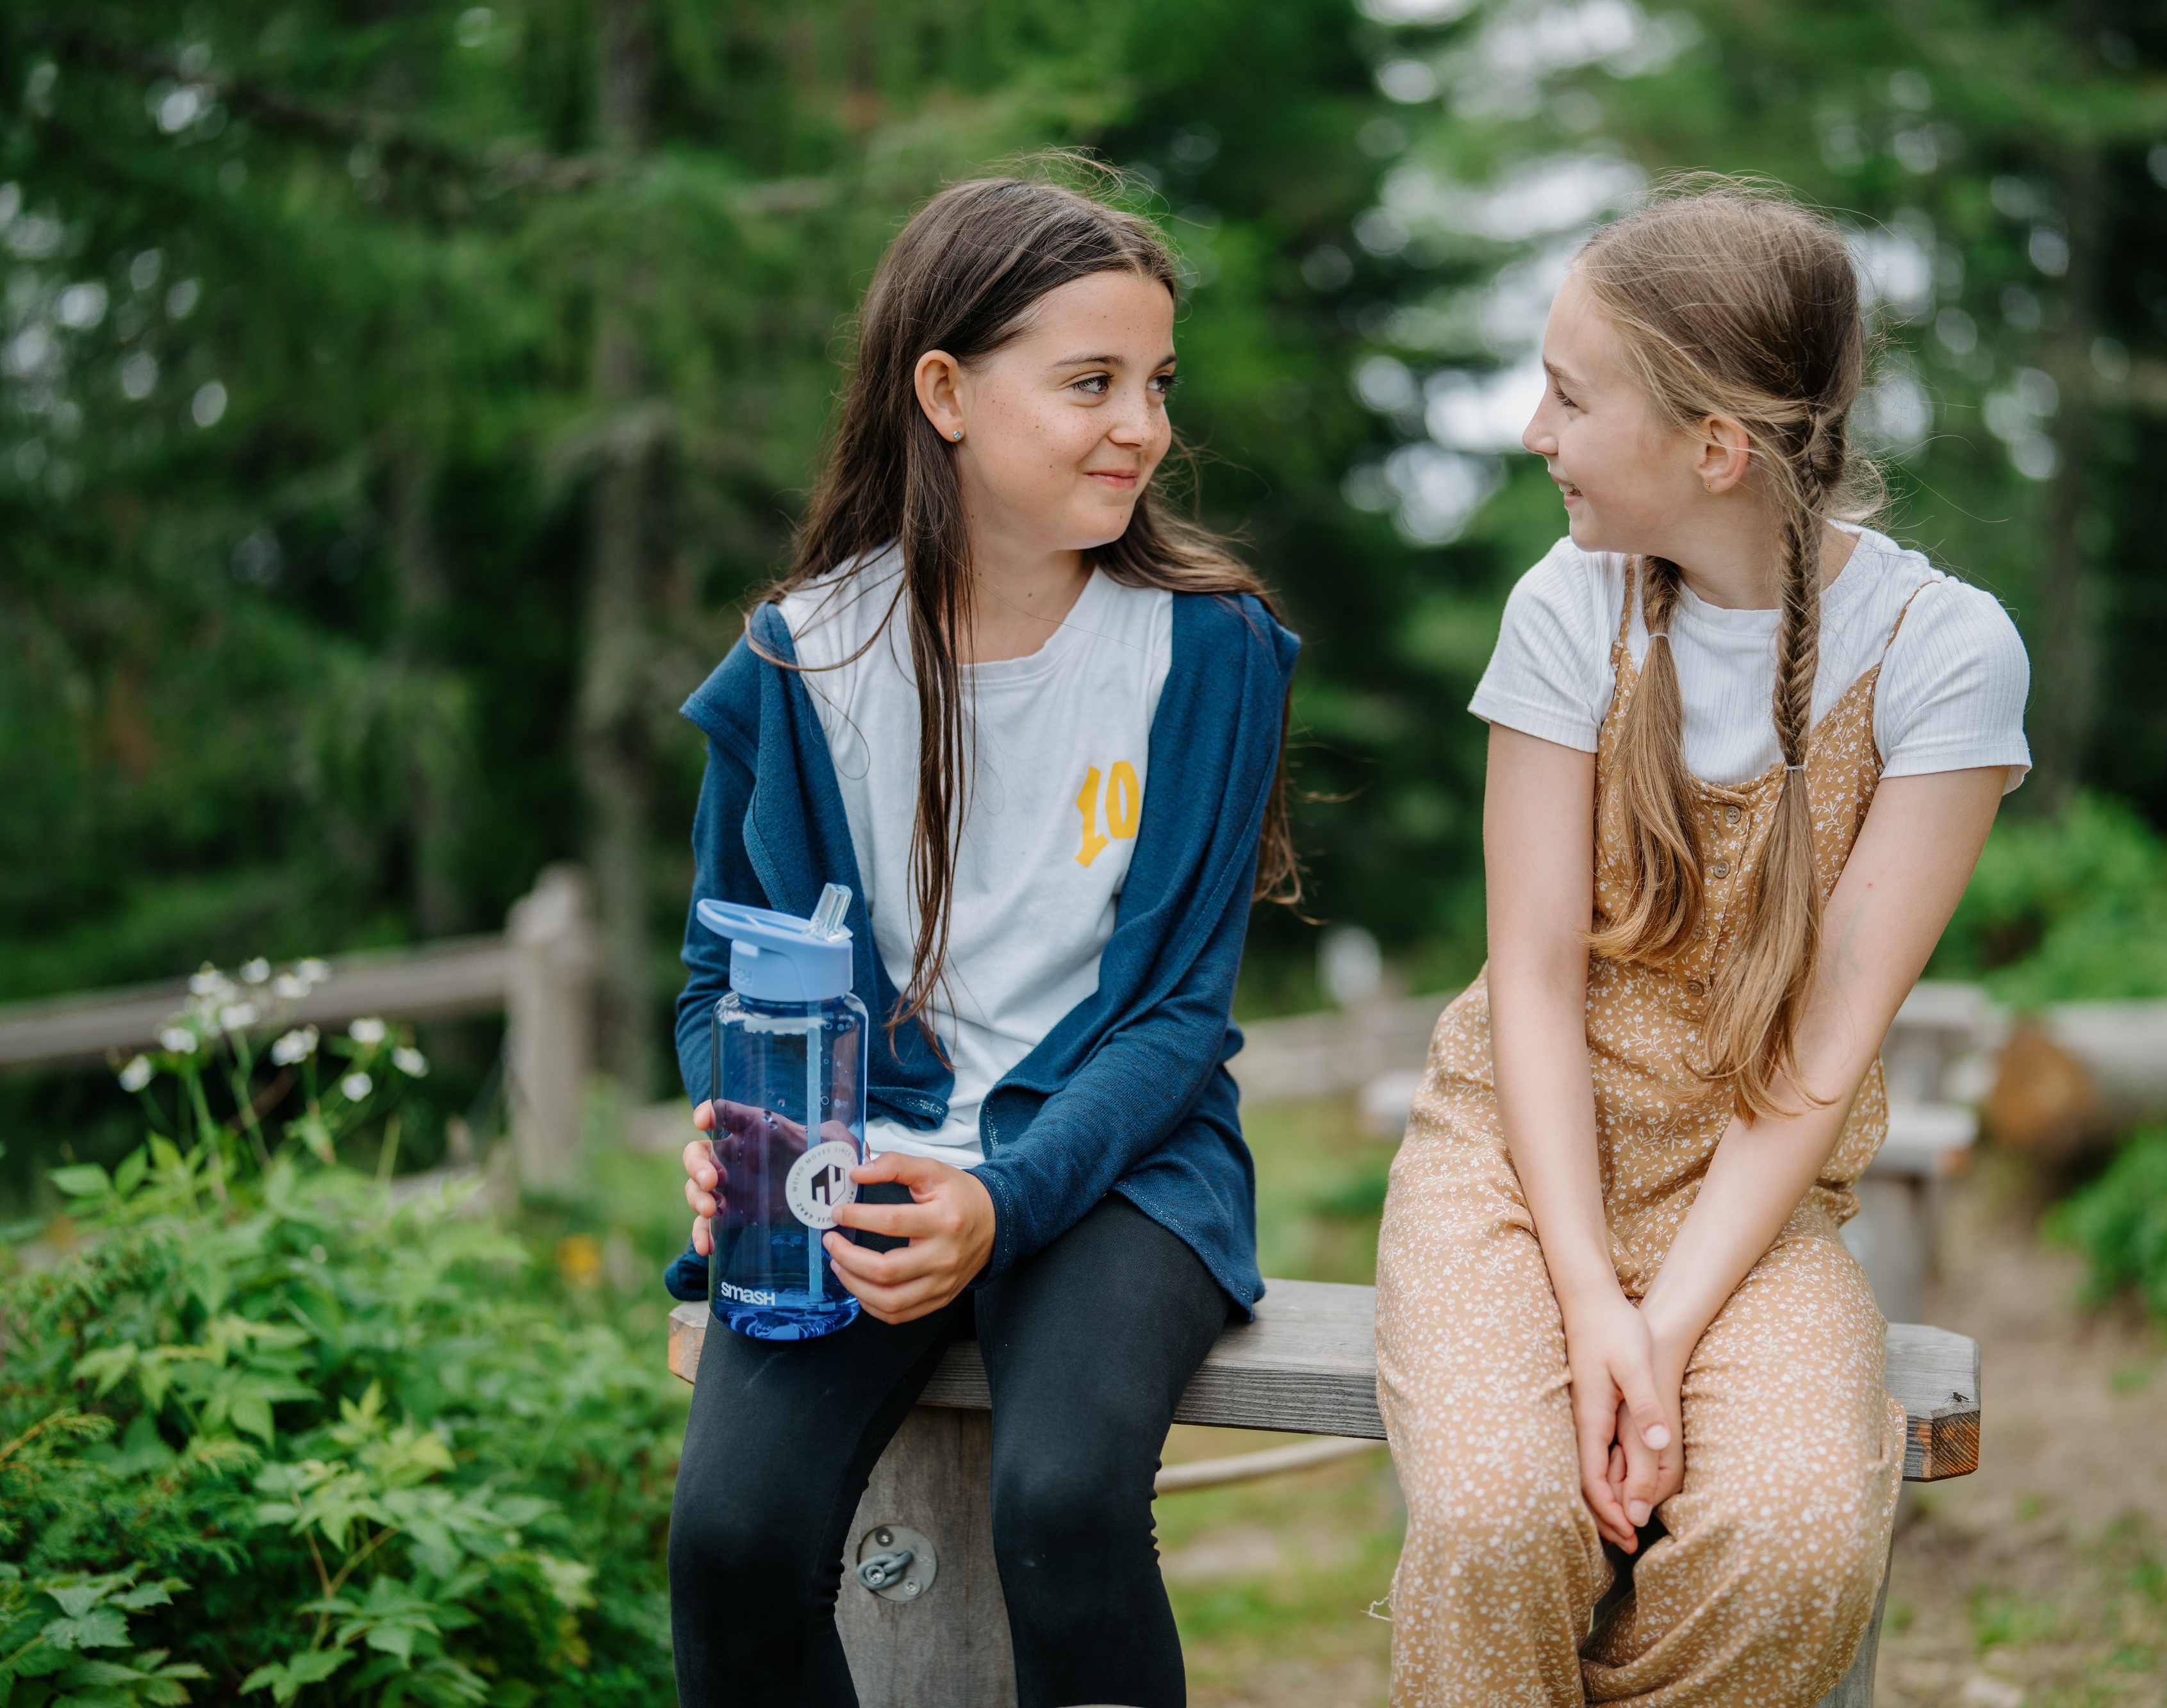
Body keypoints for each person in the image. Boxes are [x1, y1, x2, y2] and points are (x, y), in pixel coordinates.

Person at [1373, 177, 2032, 1706]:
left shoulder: (1944, 655)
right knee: (1492, 1523)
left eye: (1566, 393)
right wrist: (1592, 1298)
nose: (1532, 430)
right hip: (1514, 1168)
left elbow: (1820, 1055)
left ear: (1713, 449)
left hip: (1753, 1189)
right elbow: (1530, 984)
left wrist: (1659, 1325)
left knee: (1794, 1541)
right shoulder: (1563, 609)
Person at [659, 172, 1299, 1708]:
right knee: (732, 1543)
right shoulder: (797, 660)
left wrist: (998, 1203)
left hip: (1118, 1165)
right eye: (1088, 382)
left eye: (1153, 383)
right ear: (942, 390)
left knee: (1063, 1506)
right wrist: (743, 1126)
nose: (1137, 425)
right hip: (854, 1164)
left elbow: (1171, 1024)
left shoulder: (1207, 654)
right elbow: (715, 977)